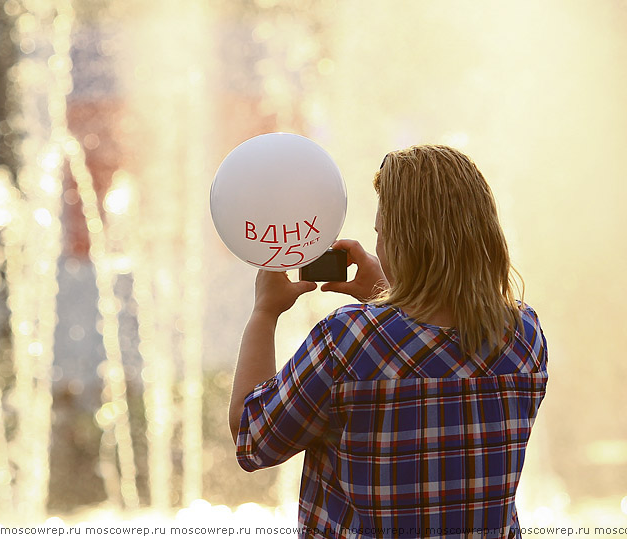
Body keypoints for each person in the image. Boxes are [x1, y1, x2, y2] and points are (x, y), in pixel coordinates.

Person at [228, 145, 548, 539]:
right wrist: (390, 290)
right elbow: (432, 347)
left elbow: (253, 438)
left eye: (382, 233)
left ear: (404, 242)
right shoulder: (523, 336)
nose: (378, 245)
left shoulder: (346, 339)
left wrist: (264, 312)